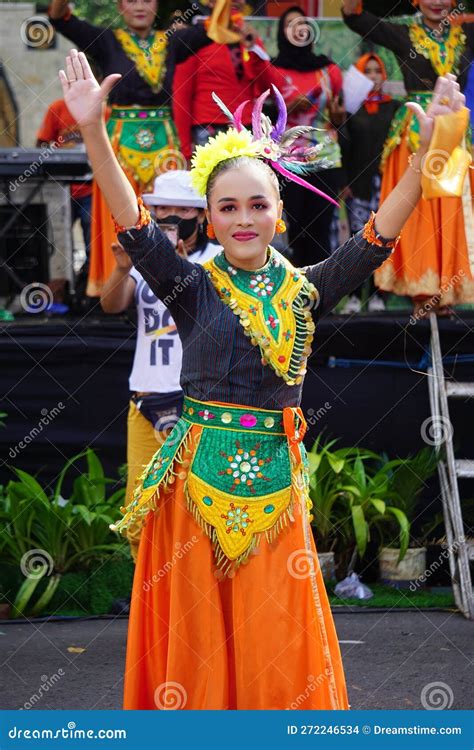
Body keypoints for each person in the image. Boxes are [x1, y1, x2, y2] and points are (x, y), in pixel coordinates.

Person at [60, 47, 468, 709]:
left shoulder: (307, 290)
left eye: (256, 204)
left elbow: (377, 236)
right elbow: (131, 220)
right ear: (209, 217)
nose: (243, 218)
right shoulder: (189, 286)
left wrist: (426, 161)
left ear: (279, 212)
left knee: (276, 626)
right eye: (227, 207)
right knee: (198, 636)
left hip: (275, 488)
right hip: (195, 487)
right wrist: (93, 134)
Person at [100, 170, 220, 560]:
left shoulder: (220, 260)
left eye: (182, 208)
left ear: (201, 215)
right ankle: (149, 608)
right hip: (147, 395)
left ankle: (192, 602)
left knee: (199, 508)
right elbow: (110, 305)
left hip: (200, 400)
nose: (172, 215)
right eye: (163, 208)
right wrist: (121, 267)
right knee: (140, 511)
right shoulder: (143, 260)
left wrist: (183, 272)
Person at [342, 0, 474, 312]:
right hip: (417, 129)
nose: (438, 2)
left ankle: (447, 289)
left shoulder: (466, 29)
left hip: (454, 129)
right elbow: (356, 17)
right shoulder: (402, 31)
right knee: (418, 208)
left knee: (450, 206)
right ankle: (420, 287)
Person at [48, 0, 180, 297]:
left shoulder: (172, 41)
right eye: (131, 0)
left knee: (172, 213)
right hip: (121, 144)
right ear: (120, 7)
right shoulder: (106, 40)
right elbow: (59, 19)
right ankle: (117, 291)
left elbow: (219, 31)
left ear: (156, 5)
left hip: (166, 143)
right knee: (119, 214)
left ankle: (171, 289)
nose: (140, 6)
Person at [258, 6, 345, 267]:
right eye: (289, 24)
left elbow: (338, 117)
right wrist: (287, 108)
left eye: (302, 23)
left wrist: (340, 116)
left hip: (326, 158)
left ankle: (319, 296)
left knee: (320, 229)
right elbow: (259, 112)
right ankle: (289, 292)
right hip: (285, 160)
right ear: (282, 33)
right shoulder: (270, 70)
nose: (297, 29)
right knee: (289, 225)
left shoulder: (330, 71)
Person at [338, 54, 401, 313]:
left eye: (377, 71)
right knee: (358, 239)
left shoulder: (395, 108)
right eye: (368, 71)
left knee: (383, 238)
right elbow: (343, 148)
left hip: (386, 184)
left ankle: (379, 295)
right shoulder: (352, 110)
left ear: (384, 76)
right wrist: (344, 182)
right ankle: (354, 296)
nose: (373, 76)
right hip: (358, 185)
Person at [171, 0, 271, 164]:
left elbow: (269, 87)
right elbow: (181, 97)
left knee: (247, 187)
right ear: (210, 2)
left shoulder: (248, 36)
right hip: (209, 130)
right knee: (213, 188)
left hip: (246, 129)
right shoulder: (195, 39)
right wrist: (186, 151)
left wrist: (253, 48)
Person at [36, 98, 92, 258]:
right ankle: (64, 277)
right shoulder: (58, 108)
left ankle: (88, 276)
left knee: (92, 233)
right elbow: (41, 143)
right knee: (58, 236)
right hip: (62, 187)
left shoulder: (103, 110)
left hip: (91, 188)